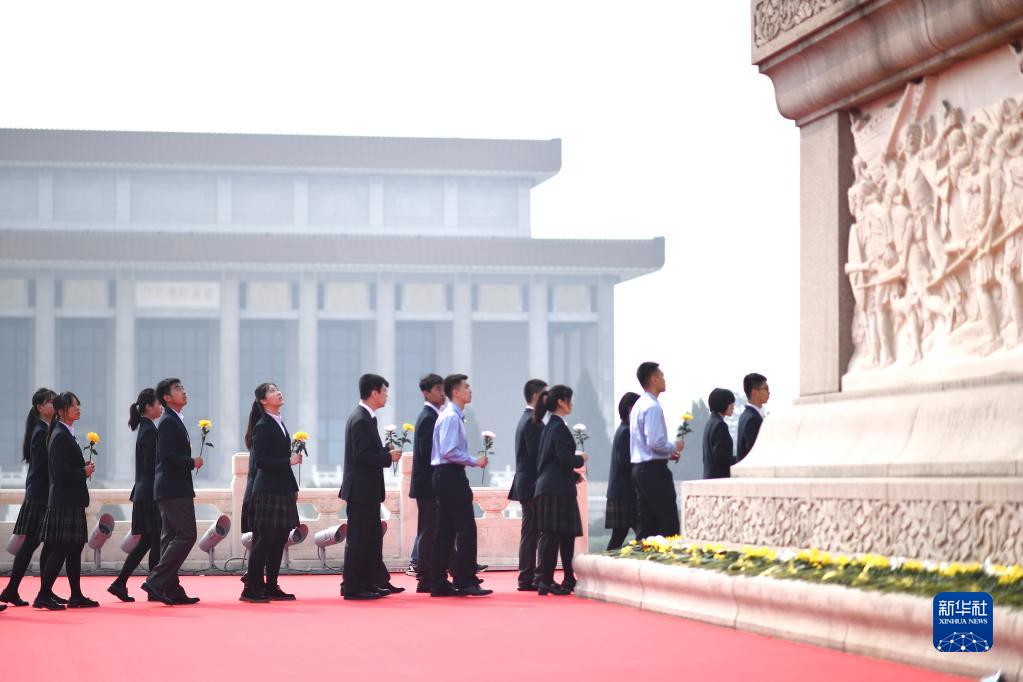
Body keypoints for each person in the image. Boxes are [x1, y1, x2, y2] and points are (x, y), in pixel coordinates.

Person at [339, 374, 402, 601]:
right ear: (374, 393)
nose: (386, 396)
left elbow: (366, 451)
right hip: (360, 491)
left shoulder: (367, 417)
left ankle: (368, 583)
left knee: (369, 539)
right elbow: (361, 456)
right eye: (384, 391)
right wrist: (387, 457)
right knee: (358, 540)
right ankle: (352, 587)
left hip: (367, 490)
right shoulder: (361, 419)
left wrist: (384, 451)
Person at [428, 374, 492, 597]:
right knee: (466, 529)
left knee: (445, 531)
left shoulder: (452, 416)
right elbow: (448, 450)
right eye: (466, 387)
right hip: (450, 475)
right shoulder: (451, 417)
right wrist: (474, 461)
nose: (470, 390)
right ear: (455, 392)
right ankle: (465, 580)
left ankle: (438, 582)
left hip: (445, 476)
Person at [34, 391, 98, 610]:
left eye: (78, 405)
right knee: (62, 548)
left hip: (70, 499)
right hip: (65, 500)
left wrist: (82, 469)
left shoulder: (65, 433)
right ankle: (43, 595)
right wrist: (83, 471)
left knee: (74, 547)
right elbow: (60, 472)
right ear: (61, 411)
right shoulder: (60, 435)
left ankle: (76, 595)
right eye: (73, 405)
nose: (78, 408)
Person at [143, 377, 203, 606]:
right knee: (187, 535)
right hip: (173, 488)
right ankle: (156, 581)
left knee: (169, 538)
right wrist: (192, 462)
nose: (184, 391)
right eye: (178, 389)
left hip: (170, 487)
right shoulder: (168, 421)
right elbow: (167, 457)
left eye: (183, 388)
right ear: (166, 398)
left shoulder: (173, 419)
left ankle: (171, 588)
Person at [240, 383, 302, 603]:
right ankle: (251, 588)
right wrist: (288, 461)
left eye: (277, 389)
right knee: (263, 541)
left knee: (279, 541)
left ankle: (271, 586)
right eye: (272, 391)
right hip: (267, 491)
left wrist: (293, 487)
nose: (278, 392)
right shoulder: (263, 425)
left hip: (282, 489)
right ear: (263, 400)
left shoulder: (278, 422)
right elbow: (261, 462)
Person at [1, 388, 60, 608]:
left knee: (39, 543)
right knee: (34, 543)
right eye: (50, 402)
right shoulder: (41, 431)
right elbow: (45, 467)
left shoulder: (44, 429)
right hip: (41, 495)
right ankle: (17, 590)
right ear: (40, 407)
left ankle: (27, 590)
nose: (54, 405)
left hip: (41, 493)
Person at [108, 388, 164, 602]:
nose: (161, 407)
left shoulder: (146, 427)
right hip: (150, 493)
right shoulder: (149, 430)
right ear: (148, 407)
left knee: (147, 541)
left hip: (144, 491)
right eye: (158, 404)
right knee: (155, 540)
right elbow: (152, 465)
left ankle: (120, 583)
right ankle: (153, 586)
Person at [533, 385, 587, 596]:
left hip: (551, 487)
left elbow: (550, 462)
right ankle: (546, 581)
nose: (571, 404)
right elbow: (564, 458)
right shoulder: (559, 428)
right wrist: (580, 459)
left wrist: (572, 476)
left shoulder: (550, 426)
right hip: (557, 490)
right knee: (555, 536)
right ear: (561, 402)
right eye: (569, 400)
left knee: (561, 536)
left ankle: (565, 579)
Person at [630, 362, 684, 540]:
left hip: (640, 469)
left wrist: (667, 453)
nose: (664, 379)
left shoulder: (639, 404)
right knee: (668, 521)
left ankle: (643, 555)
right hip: (653, 470)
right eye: (661, 376)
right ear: (653, 379)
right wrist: (674, 446)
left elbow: (646, 444)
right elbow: (654, 442)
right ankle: (668, 556)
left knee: (646, 524)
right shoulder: (652, 406)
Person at [508, 378, 547, 591]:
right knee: (533, 533)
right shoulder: (533, 421)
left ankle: (528, 576)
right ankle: (528, 577)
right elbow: (538, 456)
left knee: (531, 532)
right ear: (535, 396)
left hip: (527, 482)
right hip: (532, 484)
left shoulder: (528, 418)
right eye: (545, 395)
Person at [409, 373, 444, 593]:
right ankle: (425, 577)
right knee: (428, 531)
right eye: (438, 389)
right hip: (428, 486)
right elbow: (429, 452)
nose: (442, 393)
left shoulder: (433, 416)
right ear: (426, 392)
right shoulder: (428, 418)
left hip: (431, 484)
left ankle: (436, 574)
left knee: (433, 530)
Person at [605, 391, 640, 551]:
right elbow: (625, 462)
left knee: (618, 537)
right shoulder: (626, 432)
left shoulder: (625, 430)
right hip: (624, 495)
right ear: (631, 409)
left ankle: (605, 564)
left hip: (622, 493)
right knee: (643, 534)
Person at [703, 388, 736, 480]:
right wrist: (740, 459)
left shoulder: (710, 423)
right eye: (730, 403)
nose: (733, 407)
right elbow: (721, 457)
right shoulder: (720, 425)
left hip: (710, 476)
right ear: (723, 404)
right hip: (719, 478)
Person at [736, 373, 768, 464]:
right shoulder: (753, 419)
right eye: (766, 389)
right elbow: (755, 452)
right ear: (754, 392)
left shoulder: (745, 415)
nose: (769, 392)